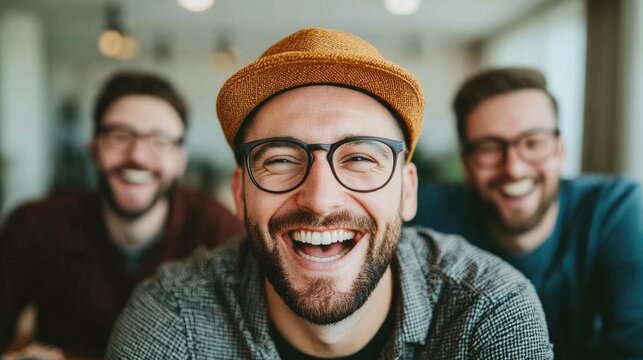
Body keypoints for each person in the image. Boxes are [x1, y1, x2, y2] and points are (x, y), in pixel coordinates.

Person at [106, 28, 553, 359]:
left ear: (408, 191)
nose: (320, 200)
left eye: (360, 158)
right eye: (280, 160)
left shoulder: (487, 311)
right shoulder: (173, 318)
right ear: (240, 193)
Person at [0, 71, 244, 358]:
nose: (138, 155)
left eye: (159, 140)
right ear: (95, 149)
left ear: (180, 160)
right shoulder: (34, 226)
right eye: (120, 136)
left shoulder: (216, 229)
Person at [409, 67, 643, 359]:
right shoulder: (423, 212)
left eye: (533, 143)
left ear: (560, 151)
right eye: (490, 148)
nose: (514, 168)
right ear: (467, 165)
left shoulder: (613, 208)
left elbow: (634, 345)